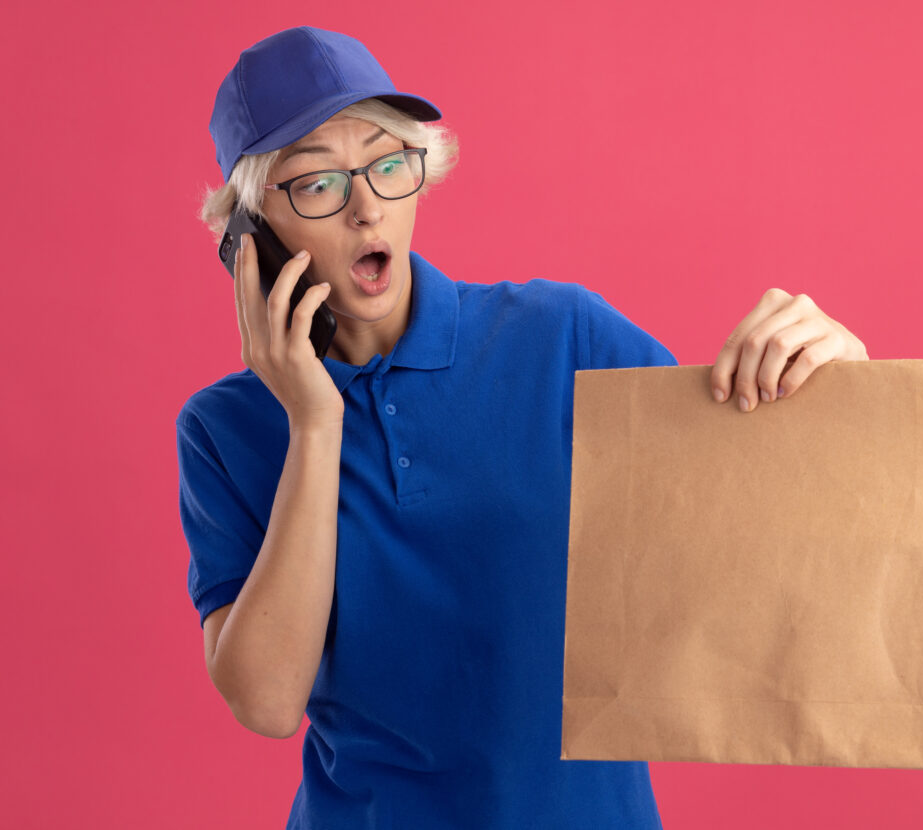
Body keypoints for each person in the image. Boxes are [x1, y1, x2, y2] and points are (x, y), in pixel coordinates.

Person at [176, 25, 870, 830]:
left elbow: (749, 517)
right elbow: (265, 701)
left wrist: (834, 384)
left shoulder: (562, 335)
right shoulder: (224, 429)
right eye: (318, 185)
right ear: (250, 237)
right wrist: (313, 422)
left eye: (388, 162)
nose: (368, 207)